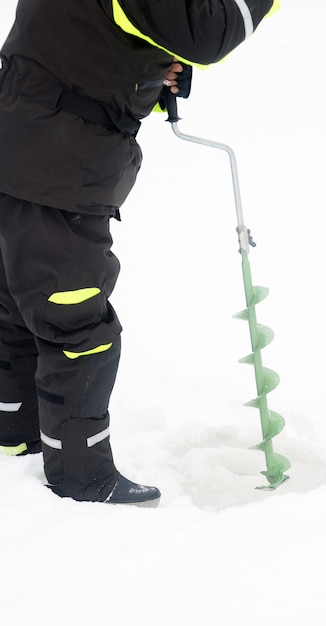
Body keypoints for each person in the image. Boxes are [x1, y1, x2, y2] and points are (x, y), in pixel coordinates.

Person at [0, 0, 277, 505]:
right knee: (77, 325)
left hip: (19, 144)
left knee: (17, 304)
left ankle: (13, 436)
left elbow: (77, 46)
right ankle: (83, 478)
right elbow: (211, 29)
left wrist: (145, 76)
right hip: (55, 167)